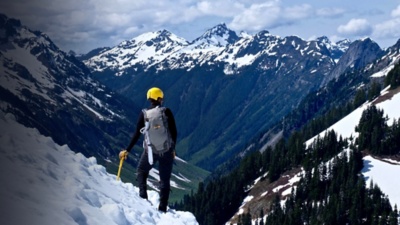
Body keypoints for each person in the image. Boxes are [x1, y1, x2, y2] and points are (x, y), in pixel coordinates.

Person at [119, 87, 177, 213]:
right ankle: (162, 208)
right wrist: (173, 149)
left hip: (150, 151)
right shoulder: (166, 112)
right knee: (164, 179)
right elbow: (173, 132)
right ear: (159, 98)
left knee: (141, 170)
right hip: (166, 150)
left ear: (149, 98)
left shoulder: (144, 114)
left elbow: (137, 134)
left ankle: (143, 197)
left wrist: (127, 150)